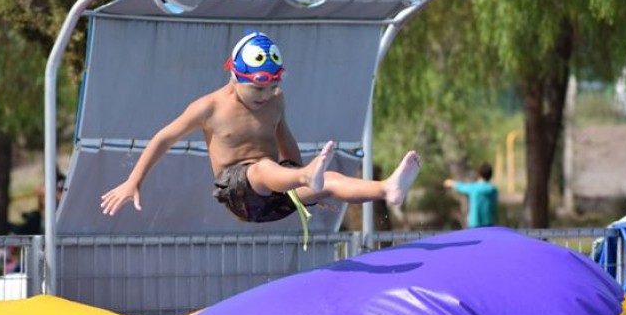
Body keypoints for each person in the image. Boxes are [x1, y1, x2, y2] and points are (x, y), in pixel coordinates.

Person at [100, 30, 421, 224]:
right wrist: (134, 180)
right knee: (262, 168)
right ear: (235, 76)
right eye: (257, 88)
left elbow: (285, 138)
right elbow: (163, 138)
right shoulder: (209, 107)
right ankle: (304, 176)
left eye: (271, 88)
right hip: (238, 192)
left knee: (331, 180)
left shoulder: (276, 101)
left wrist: (306, 180)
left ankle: (386, 189)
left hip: (276, 190)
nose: (264, 96)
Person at [444, 162, 499, 228]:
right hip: (489, 224)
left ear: (479, 174)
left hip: (475, 224)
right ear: (490, 175)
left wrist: (451, 183)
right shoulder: (494, 190)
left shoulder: (474, 188)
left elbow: (461, 187)